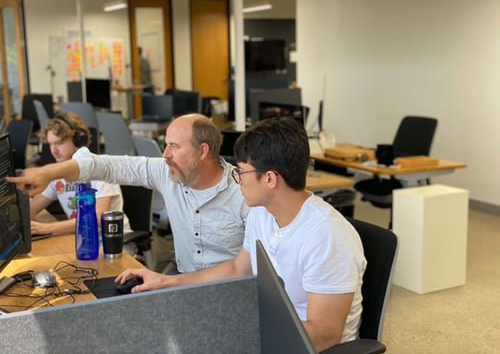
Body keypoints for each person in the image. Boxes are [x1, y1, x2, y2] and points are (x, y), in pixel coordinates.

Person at [114, 117, 367, 351]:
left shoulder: (328, 236)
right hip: (267, 328)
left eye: (241, 172)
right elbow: (238, 268)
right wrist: (164, 281)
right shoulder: (263, 212)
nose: (236, 180)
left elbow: (324, 336)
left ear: (270, 179)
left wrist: (236, 330)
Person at [9, 114, 248, 273]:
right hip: (182, 278)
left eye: (174, 147)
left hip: (226, 287)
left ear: (203, 151)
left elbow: (248, 269)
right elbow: (107, 165)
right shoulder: (167, 172)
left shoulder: (244, 192)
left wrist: (169, 281)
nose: (165, 155)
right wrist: (49, 172)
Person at [29, 111, 131, 236]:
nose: (54, 150)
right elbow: (31, 209)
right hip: (83, 241)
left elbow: (96, 219)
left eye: (59, 143)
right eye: (51, 144)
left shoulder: (99, 170)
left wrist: (47, 228)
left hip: (113, 242)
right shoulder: (58, 175)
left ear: (78, 141)